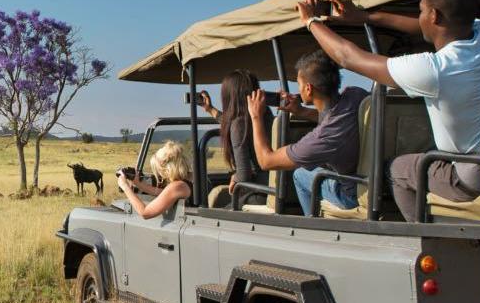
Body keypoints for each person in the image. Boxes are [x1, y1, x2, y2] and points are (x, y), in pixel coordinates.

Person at [298, 0, 480, 221]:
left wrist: (311, 22)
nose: (419, 17)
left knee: (396, 169)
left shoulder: (435, 70)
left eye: (421, 10)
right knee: (422, 158)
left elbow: (347, 57)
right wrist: (365, 17)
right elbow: (425, 26)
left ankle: (418, 234)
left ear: (434, 16)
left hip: (467, 177)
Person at [245, 51, 368, 215]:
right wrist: (300, 110)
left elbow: (266, 161)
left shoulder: (323, 138)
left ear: (308, 88)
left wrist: (255, 116)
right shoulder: (356, 95)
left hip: (351, 194)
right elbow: (334, 117)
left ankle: (311, 224)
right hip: (376, 183)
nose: (298, 89)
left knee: (301, 174)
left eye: (299, 85)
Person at [198, 71, 273, 206]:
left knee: (216, 214)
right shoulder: (266, 114)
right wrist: (210, 109)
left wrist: (235, 176)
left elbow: (244, 174)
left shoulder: (239, 124)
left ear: (230, 96)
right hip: (272, 188)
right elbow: (232, 124)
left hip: (258, 193)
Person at [117, 140, 192, 219]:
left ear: (166, 168)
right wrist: (139, 184)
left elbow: (145, 213)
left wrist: (125, 187)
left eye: (158, 170)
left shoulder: (177, 186)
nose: (160, 174)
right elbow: (162, 193)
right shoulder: (185, 181)